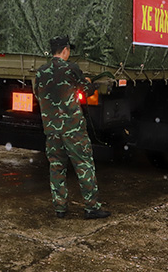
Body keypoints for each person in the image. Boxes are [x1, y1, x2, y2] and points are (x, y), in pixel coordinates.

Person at [33, 35, 111, 220]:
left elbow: (38, 93)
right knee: (83, 164)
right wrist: (91, 83)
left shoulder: (41, 71)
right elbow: (86, 89)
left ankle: (60, 208)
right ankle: (91, 208)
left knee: (57, 167)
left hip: (51, 130)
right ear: (65, 50)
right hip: (72, 129)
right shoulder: (71, 68)